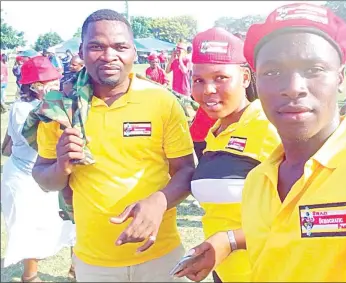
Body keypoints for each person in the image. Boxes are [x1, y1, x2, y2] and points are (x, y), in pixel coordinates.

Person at [176, 3, 346, 282]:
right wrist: (229, 240)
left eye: (313, 69)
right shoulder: (259, 182)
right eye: (273, 72)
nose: (293, 86)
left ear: (339, 78)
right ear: (258, 82)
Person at [27, 9, 195, 282]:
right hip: (94, 264)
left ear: (134, 52)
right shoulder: (60, 107)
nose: (109, 56)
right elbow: (44, 180)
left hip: (161, 255)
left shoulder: (161, 101)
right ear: (81, 51)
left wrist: (159, 201)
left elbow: (186, 170)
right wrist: (61, 166)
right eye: (96, 46)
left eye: (120, 46)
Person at [176, 27, 280, 283]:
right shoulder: (216, 131)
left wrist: (230, 241)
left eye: (220, 77)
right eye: (198, 80)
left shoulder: (270, 128)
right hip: (225, 272)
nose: (208, 89)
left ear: (245, 77)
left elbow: (299, 214)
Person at [1, 56, 76, 283]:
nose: (56, 86)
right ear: (35, 87)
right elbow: (44, 144)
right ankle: (30, 277)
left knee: (70, 224)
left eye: (56, 80)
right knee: (30, 228)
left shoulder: (44, 105)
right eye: (50, 83)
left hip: (48, 174)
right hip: (25, 179)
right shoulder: (25, 110)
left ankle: (76, 271)